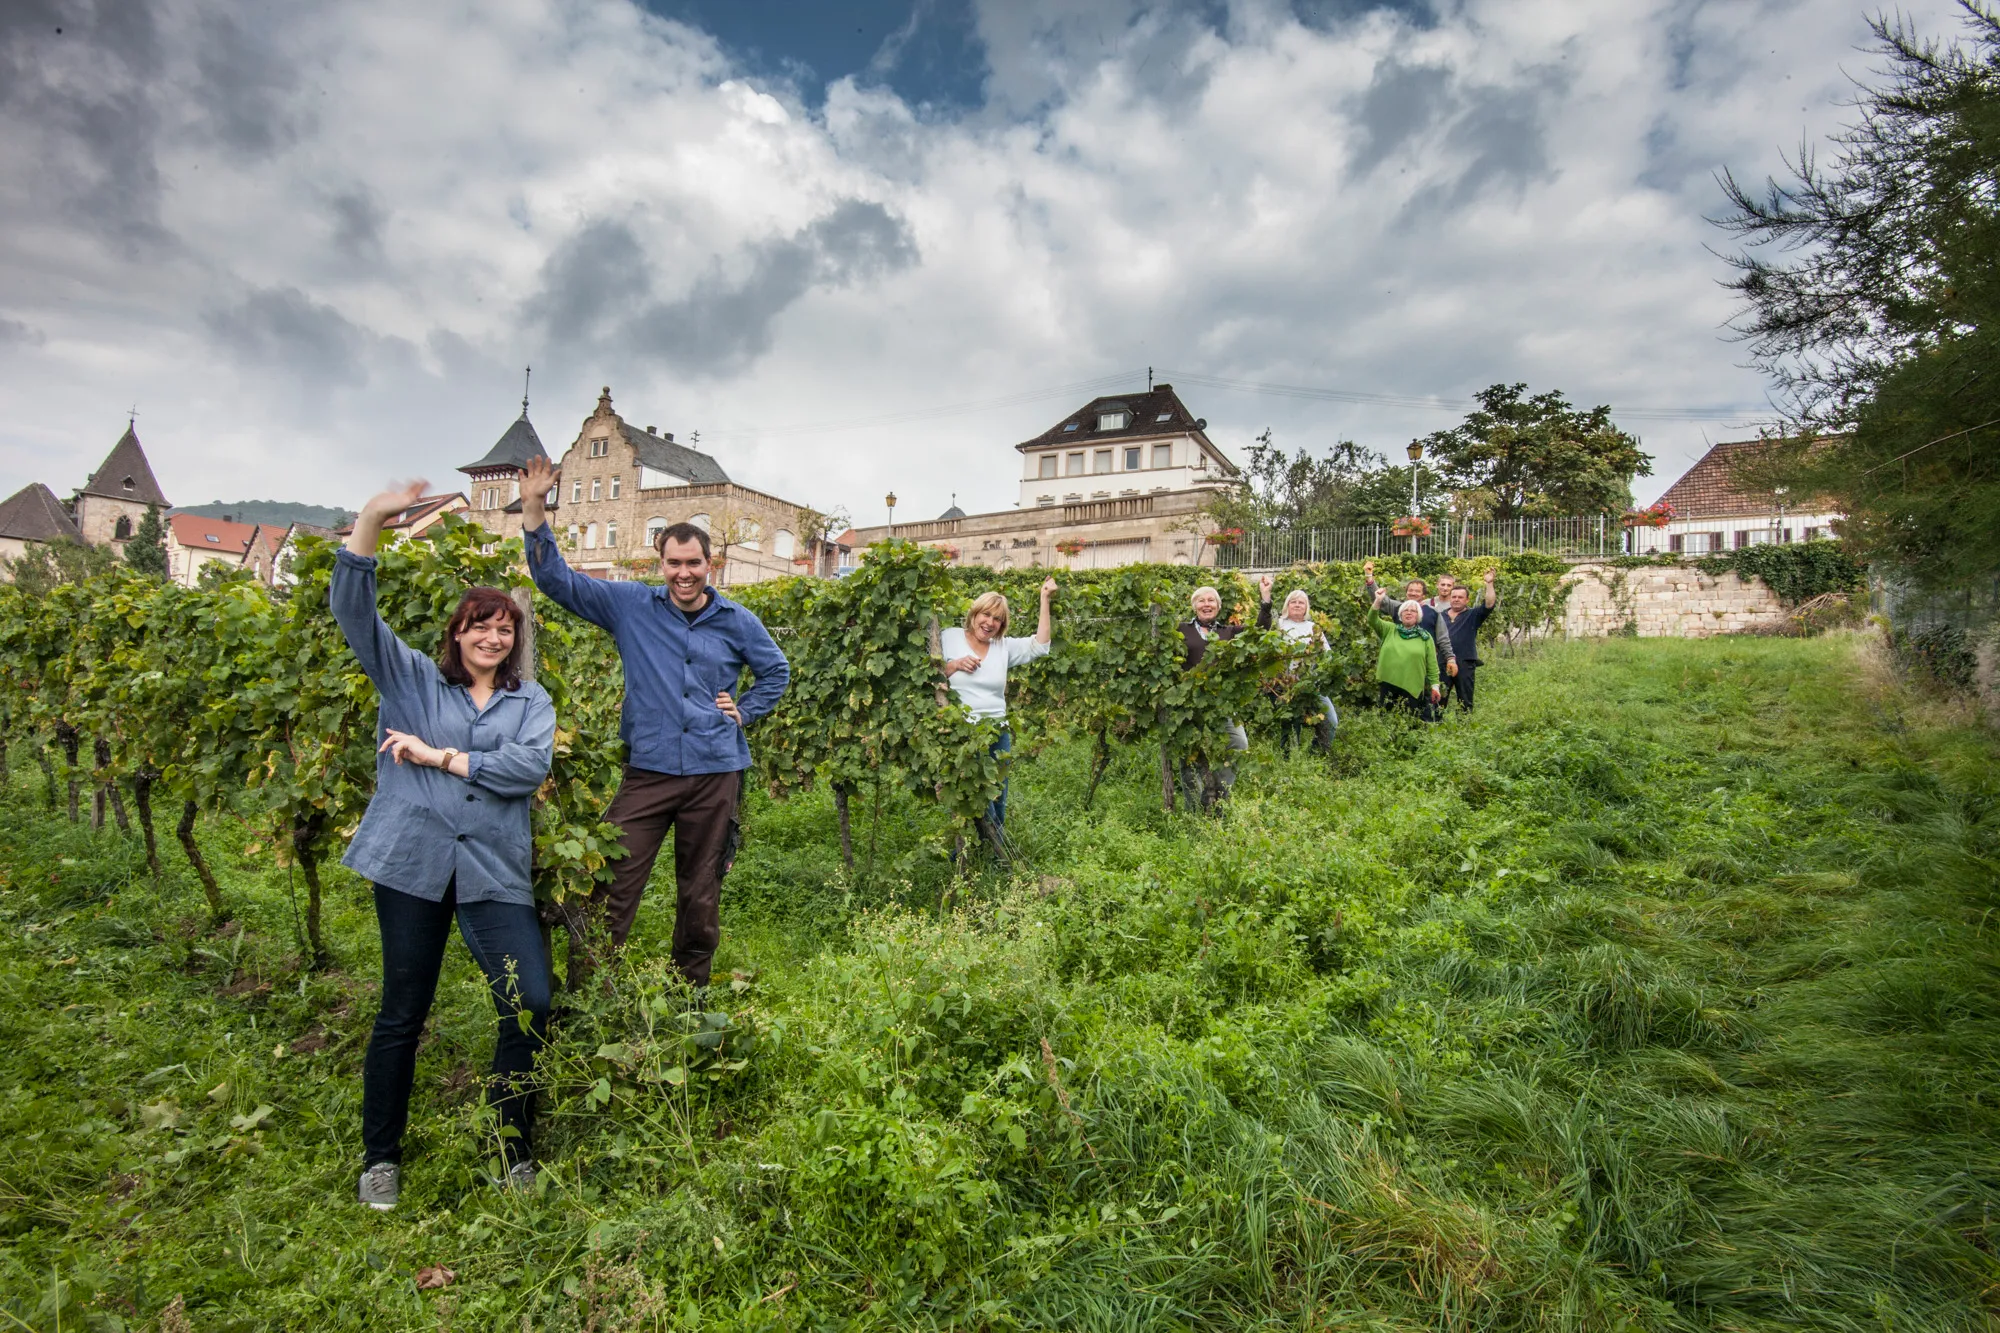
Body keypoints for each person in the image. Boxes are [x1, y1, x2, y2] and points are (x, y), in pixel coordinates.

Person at [331, 480, 557, 1212]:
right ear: (458, 633)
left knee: (530, 1002)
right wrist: (370, 521)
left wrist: (443, 759)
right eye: (480, 625)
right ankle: (380, 1156)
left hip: (493, 868)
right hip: (412, 862)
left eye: (505, 629)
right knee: (404, 1006)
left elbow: (530, 767)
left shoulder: (532, 702)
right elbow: (354, 613)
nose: (494, 637)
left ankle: (511, 1145)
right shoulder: (414, 682)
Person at [517, 456, 789, 991]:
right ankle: (594, 989)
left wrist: (746, 711)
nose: (683, 573)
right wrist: (533, 509)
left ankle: (688, 992)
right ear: (659, 563)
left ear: (711, 564)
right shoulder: (630, 606)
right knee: (613, 880)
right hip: (650, 770)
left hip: (715, 773)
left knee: (700, 888)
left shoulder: (738, 620)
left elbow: (775, 670)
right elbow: (557, 580)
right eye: (673, 564)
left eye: (693, 563)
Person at [941, 578, 1057, 833]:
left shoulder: (1003, 647)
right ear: (974, 613)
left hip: (997, 733)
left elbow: (1041, 645)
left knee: (997, 799)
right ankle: (978, 853)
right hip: (962, 734)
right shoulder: (949, 637)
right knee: (971, 797)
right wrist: (955, 665)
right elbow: (930, 673)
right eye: (986, 614)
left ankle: (993, 859)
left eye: (997, 619)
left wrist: (1044, 598)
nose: (990, 623)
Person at [1177, 574, 1273, 809]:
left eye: (1211, 601)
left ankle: (1216, 795)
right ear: (1194, 606)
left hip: (1221, 701)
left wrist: (1265, 599)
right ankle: (1192, 808)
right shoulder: (1180, 630)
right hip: (1188, 702)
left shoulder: (1229, 632)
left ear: (1218, 607)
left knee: (1239, 744)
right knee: (1187, 753)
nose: (1206, 604)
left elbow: (1259, 631)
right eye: (1201, 601)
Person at [1362, 561, 1458, 685]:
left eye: (1417, 591)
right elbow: (1381, 600)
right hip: (1398, 661)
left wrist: (1450, 658)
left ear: (1423, 595)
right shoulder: (1399, 608)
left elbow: (1443, 638)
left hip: (1422, 663)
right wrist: (1369, 578)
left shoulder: (1433, 613)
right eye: (1410, 590)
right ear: (1406, 593)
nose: (1413, 593)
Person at [1273, 588, 1338, 755]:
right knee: (1291, 727)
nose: (1297, 605)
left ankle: (1317, 754)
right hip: (1287, 686)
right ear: (1287, 605)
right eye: (1293, 601)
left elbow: (1327, 654)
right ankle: (1288, 760)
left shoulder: (1313, 627)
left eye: (1301, 602)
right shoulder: (1279, 624)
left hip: (1312, 684)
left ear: (1306, 607)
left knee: (1331, 721)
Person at [1367, 597, 1443, 721]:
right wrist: (1378, 601)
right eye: (1405, 610)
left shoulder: (1425, 637)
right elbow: (1372, 619)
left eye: (1413, 611)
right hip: (1388, 683)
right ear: (1400, 615)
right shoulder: (1390, 629)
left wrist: (1435, 686)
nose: (1409, 612)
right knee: (1386, 721)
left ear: (1418, 616)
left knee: (1408, 721)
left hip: (1412, 686)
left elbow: (1432, 664)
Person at [1438, 568, 1499, 711]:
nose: (1456, 599)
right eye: (1454, 597)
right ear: (1450, 598)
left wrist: (1489, 584)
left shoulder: (1473, 615)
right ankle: (1436, 725)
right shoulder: (1440, 616)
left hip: (1465, 662)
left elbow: (1489, 604)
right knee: (1439, 699)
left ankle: (1463, 727)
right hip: (1442, 661)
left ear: (1467, 600)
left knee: (1465, 700)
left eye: (1460, 597)